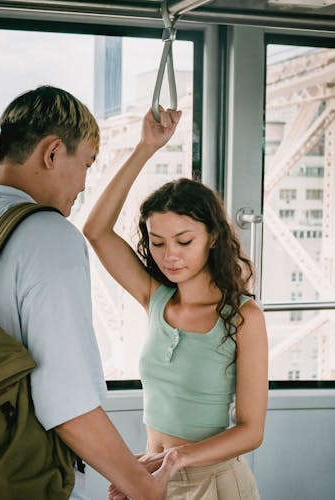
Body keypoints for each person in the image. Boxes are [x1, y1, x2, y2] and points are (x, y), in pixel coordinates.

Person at [0, 87, 177, 500]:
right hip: (18, 474)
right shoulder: (49, 234)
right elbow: (66, 401)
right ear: (53, 153)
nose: (83, 184)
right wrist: (143, 487)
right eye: (86, 164)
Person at [82, 108, 269, 499]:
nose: (170, 256)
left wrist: (174, 461)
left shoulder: (243, 317)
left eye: (184, 241)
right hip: (153, 475)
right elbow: (96, 230)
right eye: (158, 242)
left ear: (213, 237)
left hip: (213, 482)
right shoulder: (156, 297)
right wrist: (146, 148)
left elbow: (251, 431)